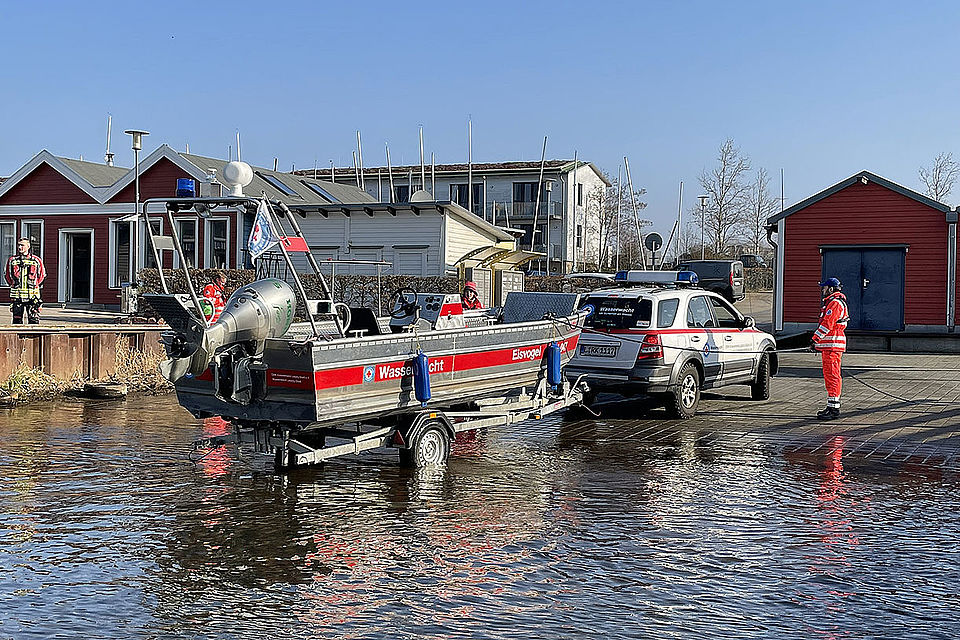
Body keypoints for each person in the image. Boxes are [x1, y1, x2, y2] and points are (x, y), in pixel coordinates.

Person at [811, 277, 849, 420]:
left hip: (833, 346)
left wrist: (815, 339)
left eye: (824, 288)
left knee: (832, 376)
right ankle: (831, 406)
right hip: (829, 346)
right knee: (830, 376)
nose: (822, 290)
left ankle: (834, 409)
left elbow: (827, 324)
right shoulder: (833, 302)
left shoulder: (834, 303)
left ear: (831, 289)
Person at [4, 237, 46, 324]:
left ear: (28, 246)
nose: (20, 247)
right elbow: (7, 275)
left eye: (22, 245)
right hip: (17, 297)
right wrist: (13, 284)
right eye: (18, 245)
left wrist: (35, 285)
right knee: (17, 321)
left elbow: (42, 275)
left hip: (32, 297)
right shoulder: (12, 260)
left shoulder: (36, 260)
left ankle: (33, 337)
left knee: (34, 321)